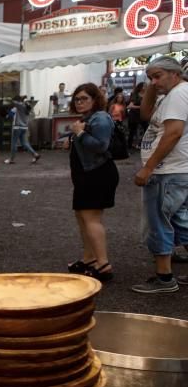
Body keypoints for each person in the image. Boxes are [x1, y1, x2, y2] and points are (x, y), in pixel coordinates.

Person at [130, 57, 188, 294]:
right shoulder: (173, 94)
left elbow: (173, 133)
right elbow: (145, 115)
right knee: (181, 222)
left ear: (175, 74)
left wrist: (148, 167)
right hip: (175, 170)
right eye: (150, 77)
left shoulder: (178, 94)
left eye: (158, 76)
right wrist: (153, 88)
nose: (153, 81)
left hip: (167, 170)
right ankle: (166, 277)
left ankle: (165, 278)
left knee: (158, 222)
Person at [65, 84, 119, 283]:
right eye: (77, 99)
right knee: (82, 217)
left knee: (91, 218)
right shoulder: (87, 119)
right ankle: (89, 259)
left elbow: (100, 146)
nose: (79, 102)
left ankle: (103, 264)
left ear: (95, 99)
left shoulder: (100, 118)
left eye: (84, 98)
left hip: (98, 174)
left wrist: (80, 134)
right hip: (86, 174)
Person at [5, 95, 40, 164]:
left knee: (14, 144)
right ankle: (35, 154)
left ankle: (11, 159)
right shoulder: (28, 108)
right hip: (24, 127)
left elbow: (9, 115)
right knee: (25, 143)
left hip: (17, 127)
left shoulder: (17, 107)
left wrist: (8, 114)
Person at [127, 82, 145, 149]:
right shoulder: (135, 94)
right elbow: (130, 106)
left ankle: (141, 144)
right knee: (132, 131)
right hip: (134, 115)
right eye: (144, 86)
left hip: (143, 115)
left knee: (145, 129)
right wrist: (140, 107)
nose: (145, 87)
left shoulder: (146, 95)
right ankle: (129, 146)